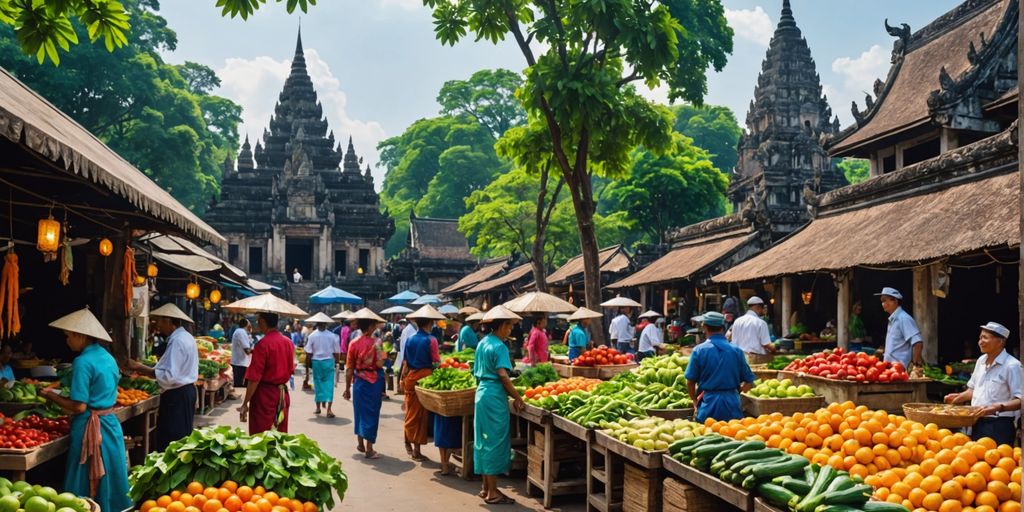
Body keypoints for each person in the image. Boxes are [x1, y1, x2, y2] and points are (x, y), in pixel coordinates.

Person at [41, 308, 132, 512]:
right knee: (111, 473)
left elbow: (79, 406)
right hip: (110, 424)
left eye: (68, 336)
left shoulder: (82, 361)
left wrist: (51, 395)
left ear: (80, 335)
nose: (67, 341)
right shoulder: (108, 357)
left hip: (89, 427)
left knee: (82, 475)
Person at [127, 303, 198, 451]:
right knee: (181, 438)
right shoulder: (186, 337)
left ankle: (171, 471)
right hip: (185, 393)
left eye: (159, 321)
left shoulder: (178, 341)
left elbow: (169, 376)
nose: (157, 325)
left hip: (177, 395)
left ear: (168, 321)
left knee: (172, 440)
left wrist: (140, 368)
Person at [473, 306, 526, 504]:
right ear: (502, 326)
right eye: (509, 326)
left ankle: (486, 488)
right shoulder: (500, 346)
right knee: (495, 441)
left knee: (484, 440)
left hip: (482, 394)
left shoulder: (482, 343)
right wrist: (517, 397)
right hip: (494, 395)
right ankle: (493, 492)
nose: (510, 330)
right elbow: (503, 376)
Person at [944, 322, 1022, 445]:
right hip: (977, 422)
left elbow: (1020, 400)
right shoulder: (981, 361)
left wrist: (997, 407)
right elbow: (973, 390)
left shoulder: (1012, 366)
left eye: (985, 338)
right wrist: (958, 397)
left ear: (1000, 342)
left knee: (1000, 462)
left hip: (999, 424)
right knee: (977, 461)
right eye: (980, 338)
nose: (980, 342)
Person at [685, 312, 757, 423]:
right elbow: (749, 381)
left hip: (708, 404)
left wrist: (694, 400)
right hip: (732, 404)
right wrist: (736, 394)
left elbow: (690, 382)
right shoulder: (736, 351)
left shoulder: (699, 350)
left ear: (704, 327)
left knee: (708, 436)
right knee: (733, 435)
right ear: (722, 327)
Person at [239, 312, 297, 434]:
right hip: (282, 395)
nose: (257, 323)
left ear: (263, 322)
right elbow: (291, 369)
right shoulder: (288, 342)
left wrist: (245, 403)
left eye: (258, 320)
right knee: (279, 436)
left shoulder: (262, 344)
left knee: (261, 438)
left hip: (264, 397)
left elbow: (254, 378)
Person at [400, 305, 443, 461]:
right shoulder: (431, 340)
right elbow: (436, 362)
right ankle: (416, 450)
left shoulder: (410, 340)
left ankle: (408, 442)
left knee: (411, 412)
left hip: (410, 377)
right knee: (420, 416)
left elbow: (405, 361)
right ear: (429, 322)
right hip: (424, 379)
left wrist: (401, 379)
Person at [344, 309, 387, 459]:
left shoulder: (353, 343)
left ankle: (360, 443)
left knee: (360, 412)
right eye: (374, 325)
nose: (375, 327)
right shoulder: (378, 343)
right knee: (372, 414)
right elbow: (381, 364)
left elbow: (349, 368)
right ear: (370, 327)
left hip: (358, 383)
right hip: (374, 382)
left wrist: (346, 388)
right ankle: (369, 448)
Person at [875, 287, 923, 369]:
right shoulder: (893, 319)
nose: (883, 304)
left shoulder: (903, 318)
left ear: (895, 301)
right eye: (882, 301)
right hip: (891, 369)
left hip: (900, 369)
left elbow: (917, 342)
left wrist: (915, 365)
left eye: (885, 300)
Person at [304, 314, 339, 417]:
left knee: (318, 384)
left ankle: (318, 407)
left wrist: (307, 369)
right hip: (328, 362)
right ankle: (328, 409)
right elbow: (336, 352)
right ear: (326, 324)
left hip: (316, 363)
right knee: (329, 385)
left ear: (317, 324)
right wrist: (337, 362)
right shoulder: (333, 336)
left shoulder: (312, 336)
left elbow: (308, 353)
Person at [393, 317, 418, 394]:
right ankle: (400, 388)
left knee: (404, 371)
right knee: (403, 371)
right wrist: (405, 356)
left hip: (407, 354)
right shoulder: (409, 329)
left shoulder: (412, 328)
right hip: (407, 354)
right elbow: (406, 343)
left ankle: (401, 387)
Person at [230, 318, 253, 398]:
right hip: (240, 362)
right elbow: (247, 349)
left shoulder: (242, 332)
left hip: (240, 361)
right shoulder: (241, 332)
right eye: (249, 324)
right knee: (239, 384)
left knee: (239, 383)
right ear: (247, 325)